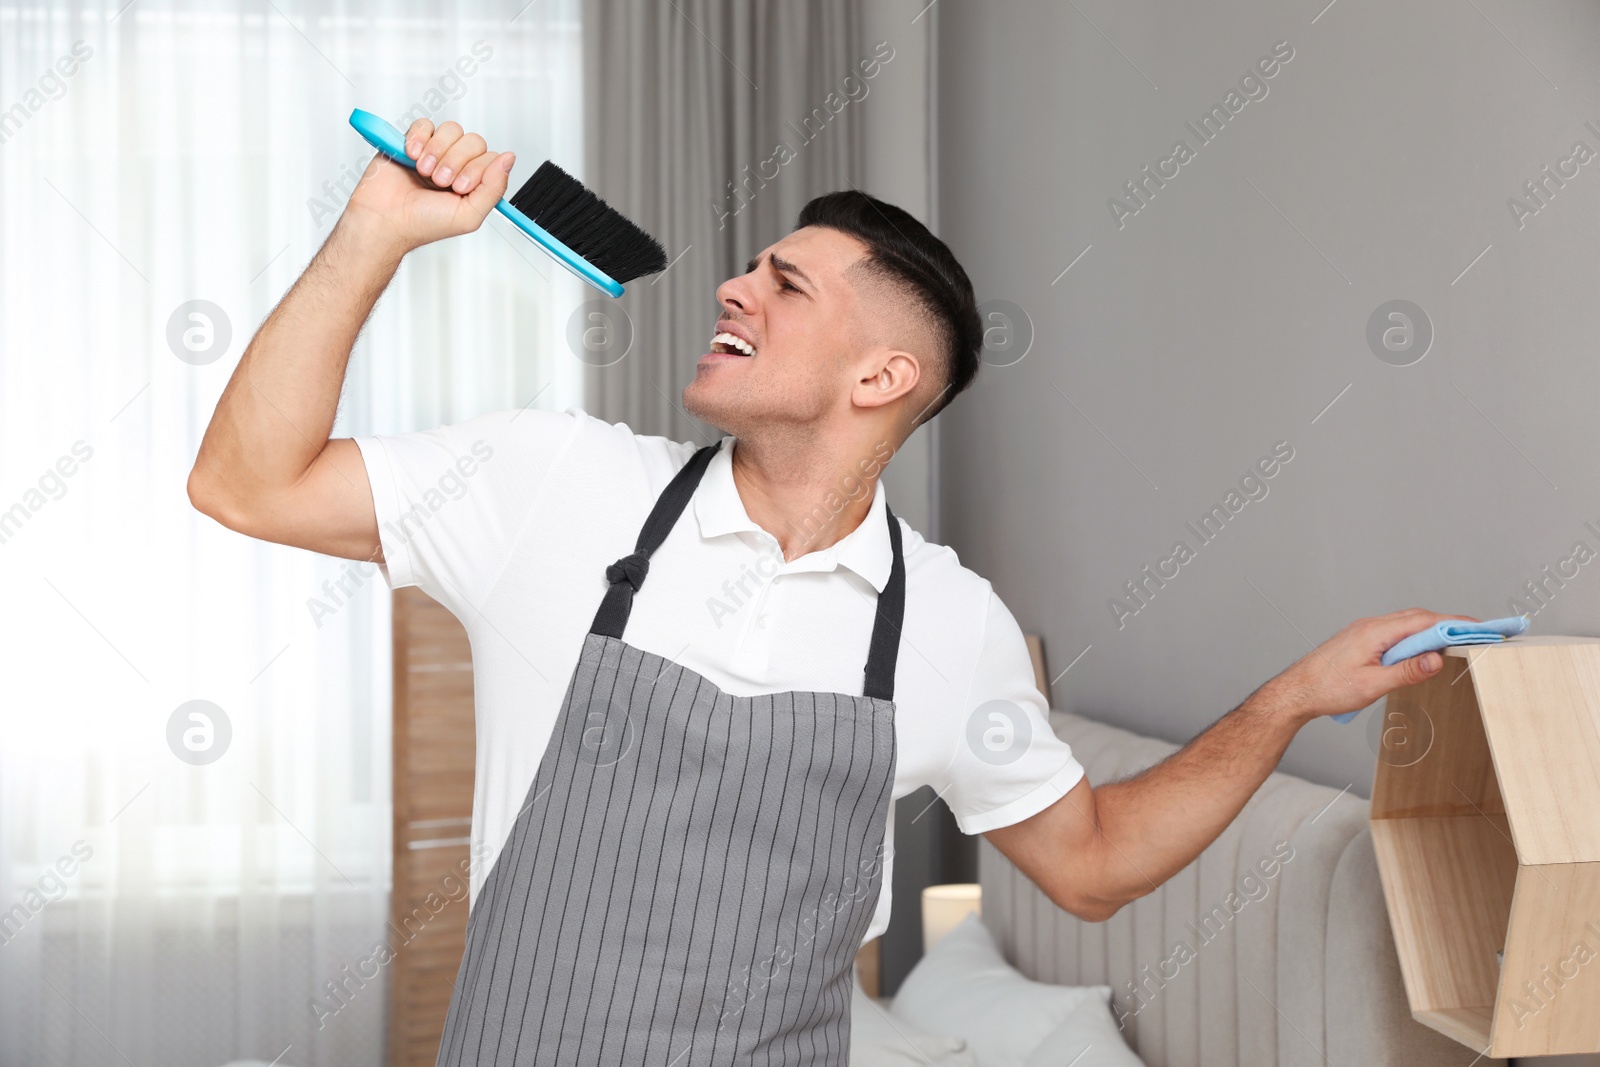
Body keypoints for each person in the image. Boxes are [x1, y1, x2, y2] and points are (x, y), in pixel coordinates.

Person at [187, 118, 1472, 1065]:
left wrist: (1298, 694)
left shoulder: (950, 625)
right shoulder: (554, 480)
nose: (734, 287)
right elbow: (246, 484)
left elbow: (1090, 867)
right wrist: (376, 231)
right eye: (753, 267)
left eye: (786, 283)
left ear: (881, 378)